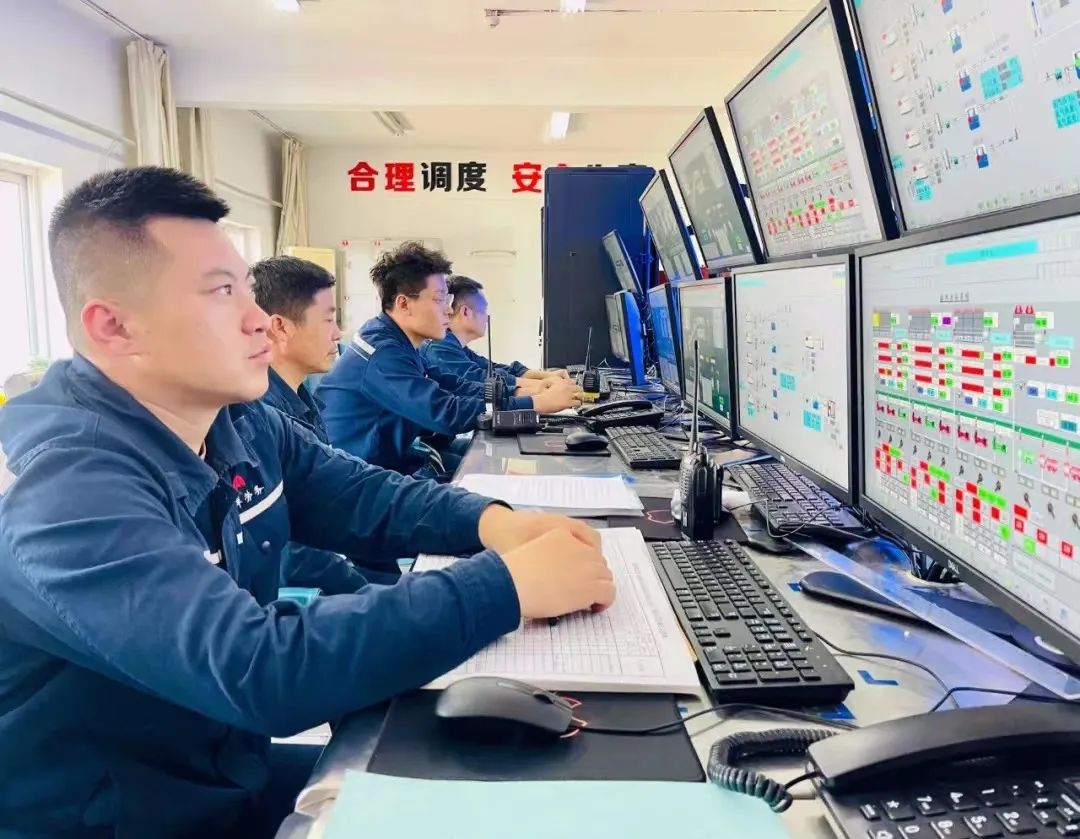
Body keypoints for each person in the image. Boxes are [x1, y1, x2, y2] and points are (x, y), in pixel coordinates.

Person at [0, 166, 615, 837]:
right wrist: (506, 586)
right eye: (221, 292)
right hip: (126, 819)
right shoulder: (64, 490)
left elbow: (359, 493)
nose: (259, 321)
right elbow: (258, 668)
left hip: (223, 778)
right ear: (114, 327)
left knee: (508, 798)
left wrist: (498, 524)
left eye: (245, 288)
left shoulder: (233, 419)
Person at [318, 242, 582, 474]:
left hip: (393, 460)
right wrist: (538, 403)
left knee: (493, 466)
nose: (448, 309)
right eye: (439, 299)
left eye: (448, 298)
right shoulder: (382, 352)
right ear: (404, 304)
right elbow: (446, 412)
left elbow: (453, 384)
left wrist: (532, 393)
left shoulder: (398, 341)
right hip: (365, 477)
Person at [252, 255, 401, 586]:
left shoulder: (301, 398)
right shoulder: (260, 416)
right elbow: (292, 555)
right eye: (328, 320)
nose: (338, 333)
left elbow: (343, 490)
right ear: (280, 327)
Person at [420, 274, 569, 391]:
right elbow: (481, 380)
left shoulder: (456, 346)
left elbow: (494, 369)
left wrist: (548, 376)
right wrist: (545, 386)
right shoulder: (439, 347)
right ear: (465, 312)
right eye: (483, 309)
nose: (487, 317)